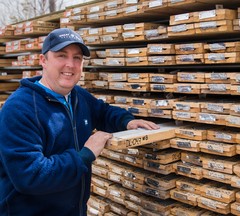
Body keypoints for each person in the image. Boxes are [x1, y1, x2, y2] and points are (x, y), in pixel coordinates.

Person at [0, 28, 159, 216]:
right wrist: (85, 154)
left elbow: (102, 112)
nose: (71, 64)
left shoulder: (76, 95)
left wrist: (127, 122)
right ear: (43, 60)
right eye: (62, 55)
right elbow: (30, 176)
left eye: (77, 58)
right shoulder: (19, 108)